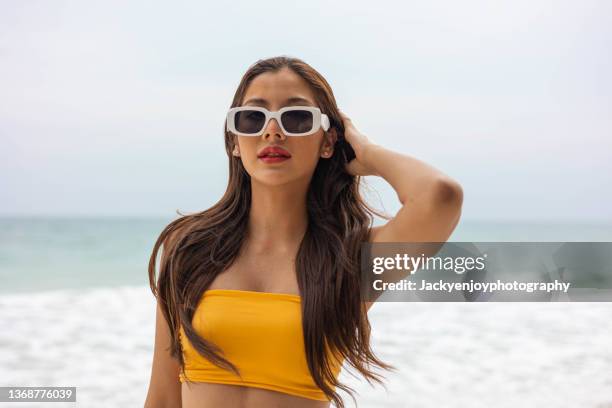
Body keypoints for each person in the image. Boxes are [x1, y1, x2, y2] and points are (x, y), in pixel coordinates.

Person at [144, 55, 463, 408]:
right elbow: (161, 398)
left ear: (328, 142)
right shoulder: (189, 247)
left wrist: (367, 152)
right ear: (234, 142)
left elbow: (440, 196)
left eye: (297, 118)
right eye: (253, 117)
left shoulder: (351, 261)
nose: (272, 131)